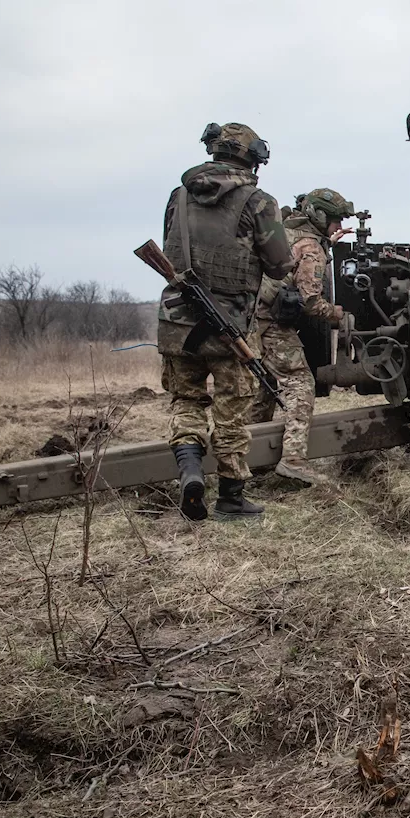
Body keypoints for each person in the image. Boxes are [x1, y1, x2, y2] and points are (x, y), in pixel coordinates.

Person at [158, 122, 293, 521]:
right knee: (232, 412)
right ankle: (231, 497)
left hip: (177, 321)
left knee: (186, 401)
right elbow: (280, 265)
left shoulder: (178, 195)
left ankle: (191, 469)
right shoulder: (259, 202)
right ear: (253, 159)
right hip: (229, 326)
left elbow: (171, 248)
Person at [249, 188, 354, 485]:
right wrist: (337, 313)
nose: (337, 225)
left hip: (251, 320)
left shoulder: (288, 232)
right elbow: (310, 301)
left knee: (266, 386)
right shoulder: (310, 247)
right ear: (319, 216)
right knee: (299, 382)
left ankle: (245, 458)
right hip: (271, 324)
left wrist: (327, 244)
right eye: (334, 220)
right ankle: (293, 459)